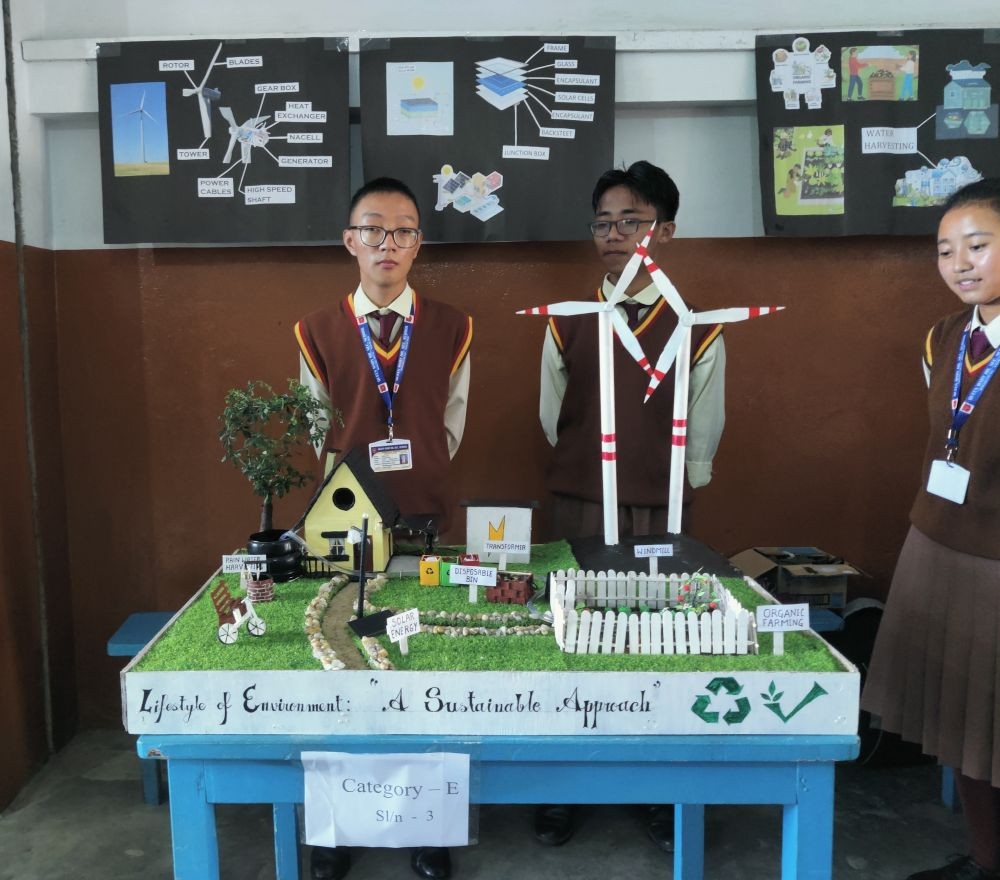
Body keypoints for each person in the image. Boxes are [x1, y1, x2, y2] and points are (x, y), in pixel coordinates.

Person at [534, 160, 725, 851]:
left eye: (634, 221)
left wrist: (671, 487)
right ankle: (562, 791)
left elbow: (703, 426)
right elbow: (555, 417)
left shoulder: (695, 326)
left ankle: (656, 791)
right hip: (583, 506)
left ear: (665, 231)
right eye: (605, 222)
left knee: (658, 645)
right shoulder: (568, 322)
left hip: (660, 511)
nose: (616, 234)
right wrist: (590, 472)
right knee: (573, 640)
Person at [295, 177, 473, 880]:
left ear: (419, 243)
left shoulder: (455, 325)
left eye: (403, 230)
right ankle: (337, 829)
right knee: (339, 658)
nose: (388, 243)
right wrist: (350, 486)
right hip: (343, 522)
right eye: (374, 229)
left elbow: (453, 420)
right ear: (351, 241)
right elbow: (314, 428)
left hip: (426, 510)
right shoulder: (315, 329)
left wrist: (419, 469)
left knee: (421, 660)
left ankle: (428, 829)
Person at [861, 177, 1000, 880]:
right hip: (936, 542)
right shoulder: (944, 337)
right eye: (946, 251)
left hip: (996, 565)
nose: (961, 264)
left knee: (994, 723)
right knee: (957, 720)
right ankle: (984, 857)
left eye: (979, 245)